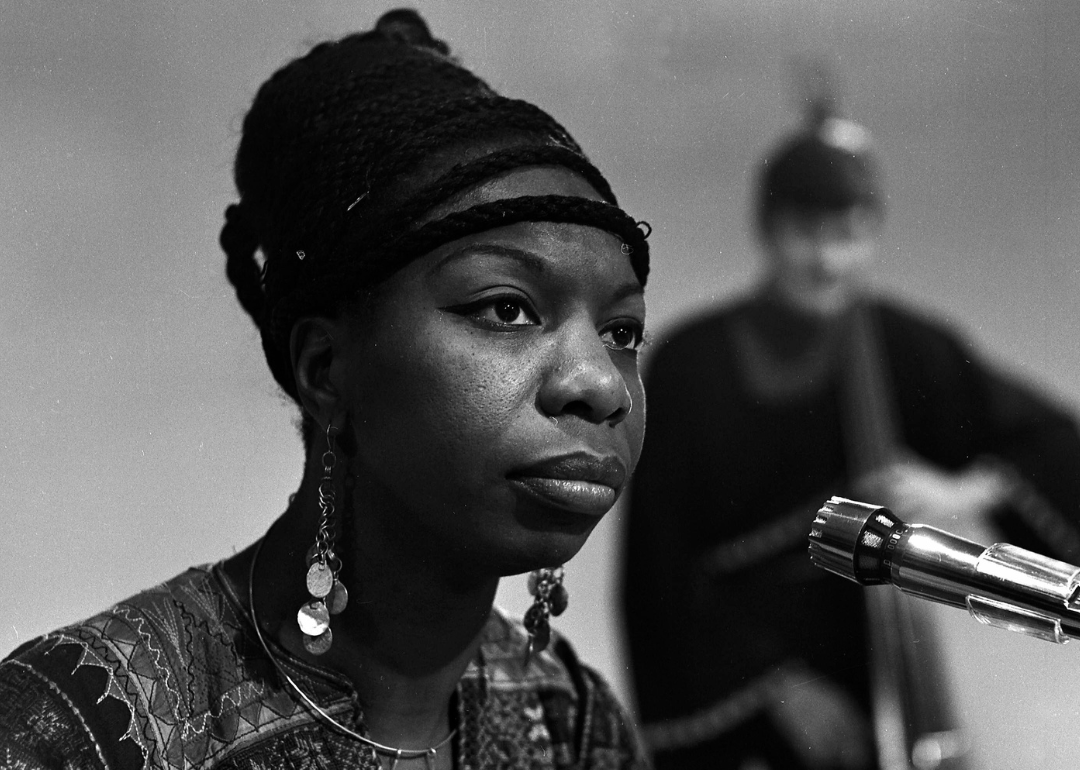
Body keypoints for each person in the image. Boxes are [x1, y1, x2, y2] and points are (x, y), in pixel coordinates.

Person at [0, 10, 653, 769]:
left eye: (622, 332)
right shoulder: (79, 729)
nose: (602, 385)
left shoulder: (573, 729)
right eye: (506, 308)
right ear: (325, 370)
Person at [620, 88, 1080, 770]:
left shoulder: (901, 345)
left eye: (849, 235)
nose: (828, 261)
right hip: (734, 674)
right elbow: (658, 569)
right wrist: (778, 690)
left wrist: (970, 491)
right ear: (768, 229)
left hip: (868, 651)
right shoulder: (691, 364)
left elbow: (1049, 442)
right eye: (808, 233)